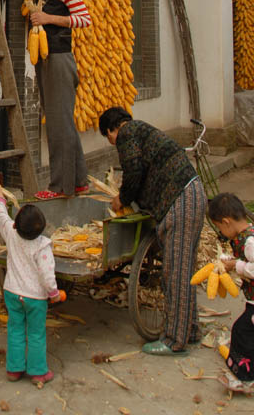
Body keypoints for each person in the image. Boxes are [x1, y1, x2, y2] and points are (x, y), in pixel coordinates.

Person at [98, 106, 207, 355]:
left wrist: (122, 199)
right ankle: (190, 330)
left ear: (111, 129)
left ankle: (173, 340)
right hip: (192, 194)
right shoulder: (142, 131)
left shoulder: (127, 134)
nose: (112, 142)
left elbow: (134, 171)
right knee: (185, 269)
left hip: (179, 200)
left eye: (108, 137)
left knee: (175, 272)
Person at [0, 0, 90, 199]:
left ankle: (60, 187)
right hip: (46, 57)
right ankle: (80, 180)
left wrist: (48, 18)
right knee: (63, 121)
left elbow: (84, 18)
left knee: (58, 123)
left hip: (60, 58)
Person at [0, 180, 63, 385]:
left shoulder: (11, 234)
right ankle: (38, 372)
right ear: (41, 230)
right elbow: (47, 275)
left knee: (15, 329)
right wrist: (54, 293)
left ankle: (14, 369)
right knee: (36, 333)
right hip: (35, 298)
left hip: (12, 293)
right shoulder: (42, 247)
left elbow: (1, 215)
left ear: (16, 224)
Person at [208, 192, 254, 394]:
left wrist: (237, 265)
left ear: (226, 222)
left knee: (241, 333)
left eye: (219, 227)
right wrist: (228, 261)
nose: (221, 232)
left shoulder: (250, 241)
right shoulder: (243, 238)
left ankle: (245, 378)